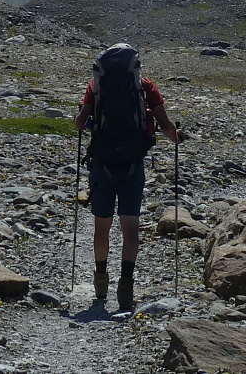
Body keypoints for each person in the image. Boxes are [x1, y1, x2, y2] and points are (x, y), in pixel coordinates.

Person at [74, 43, 187, 311]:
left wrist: (86, 120)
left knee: (102, 226)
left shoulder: (96, 86)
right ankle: (125, 289)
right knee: (130, 227)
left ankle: (100, 283)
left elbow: (80, 123)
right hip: (133, 165)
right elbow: (165, 126)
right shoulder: (146, 87)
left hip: (102, 164)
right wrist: (177, 138)